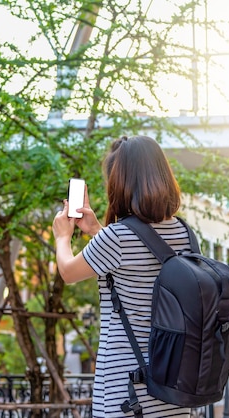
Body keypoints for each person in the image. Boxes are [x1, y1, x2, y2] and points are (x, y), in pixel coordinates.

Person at [52, 135, 193, 418]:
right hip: (173, 387)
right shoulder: (184, 232)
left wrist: (62, 236)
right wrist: (96, 230)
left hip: (127, 391)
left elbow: (68, 271)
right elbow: (141, 257)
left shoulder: (118, 237)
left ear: (121, 183)